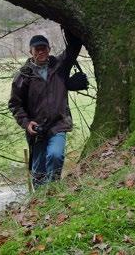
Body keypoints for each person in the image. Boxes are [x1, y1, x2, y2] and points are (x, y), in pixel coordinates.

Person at [8, 29, 85, 188]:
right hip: (37, 129)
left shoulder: (60, 66)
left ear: (49, 49)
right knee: (38, 171)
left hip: (58, 124)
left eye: (44, 48)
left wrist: (67, 22)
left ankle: (52, 191)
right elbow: (15, 104)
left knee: (56, 156)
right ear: (31, 51)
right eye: (37, 49)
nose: (41, 51)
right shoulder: (23, 76)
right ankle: (41, 201)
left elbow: (74, 48)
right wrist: (27, 123)